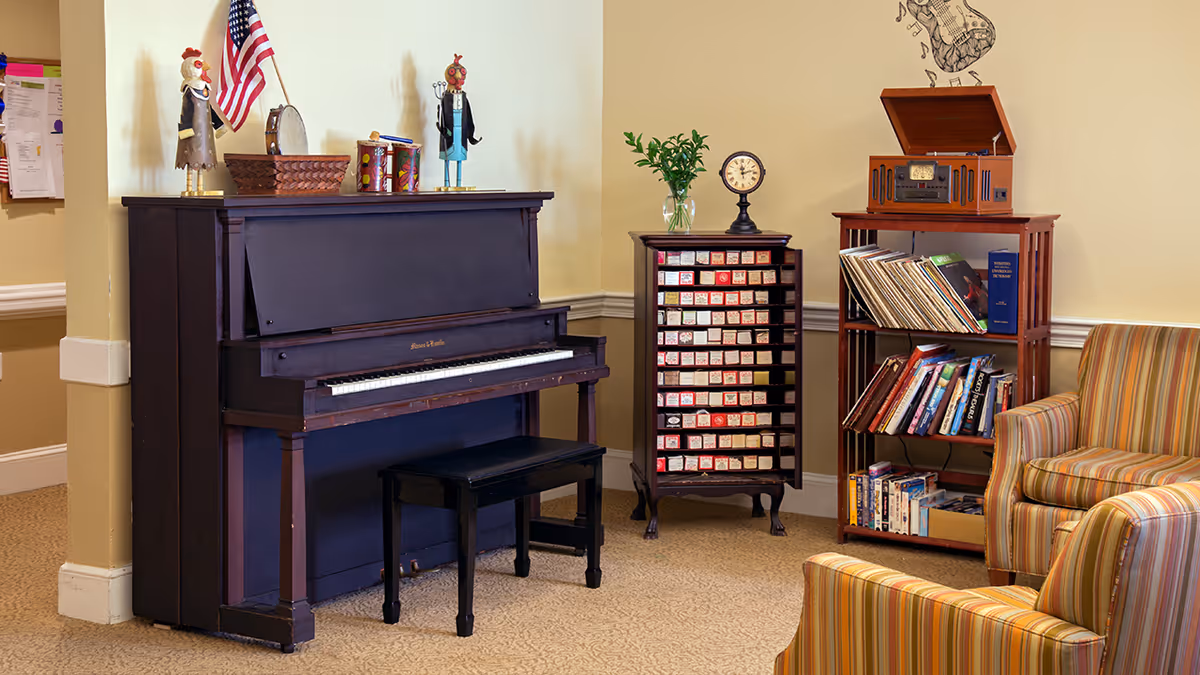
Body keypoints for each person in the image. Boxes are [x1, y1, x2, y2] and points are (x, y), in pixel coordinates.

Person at [175, 47, 226, 195]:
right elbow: (186, 112)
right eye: (199, 65)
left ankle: (200, 188)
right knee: (191, 156)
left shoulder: (202, 89)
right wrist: (184, 129)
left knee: (203, 157)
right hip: (191, 133)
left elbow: (208, 109)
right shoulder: (189, 90)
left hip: (204, 133)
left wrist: (219, 125)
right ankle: (190, 187)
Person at [435, 54, 481, 189]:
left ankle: (459, 183)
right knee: (448, 157)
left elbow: (469, 116)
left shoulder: (464, 97)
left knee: (459, 157)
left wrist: (471, 134)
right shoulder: (445, 97)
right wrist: (441, 128)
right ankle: (446, 183)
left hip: (461, 132)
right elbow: (441, 115)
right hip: (449, 132)